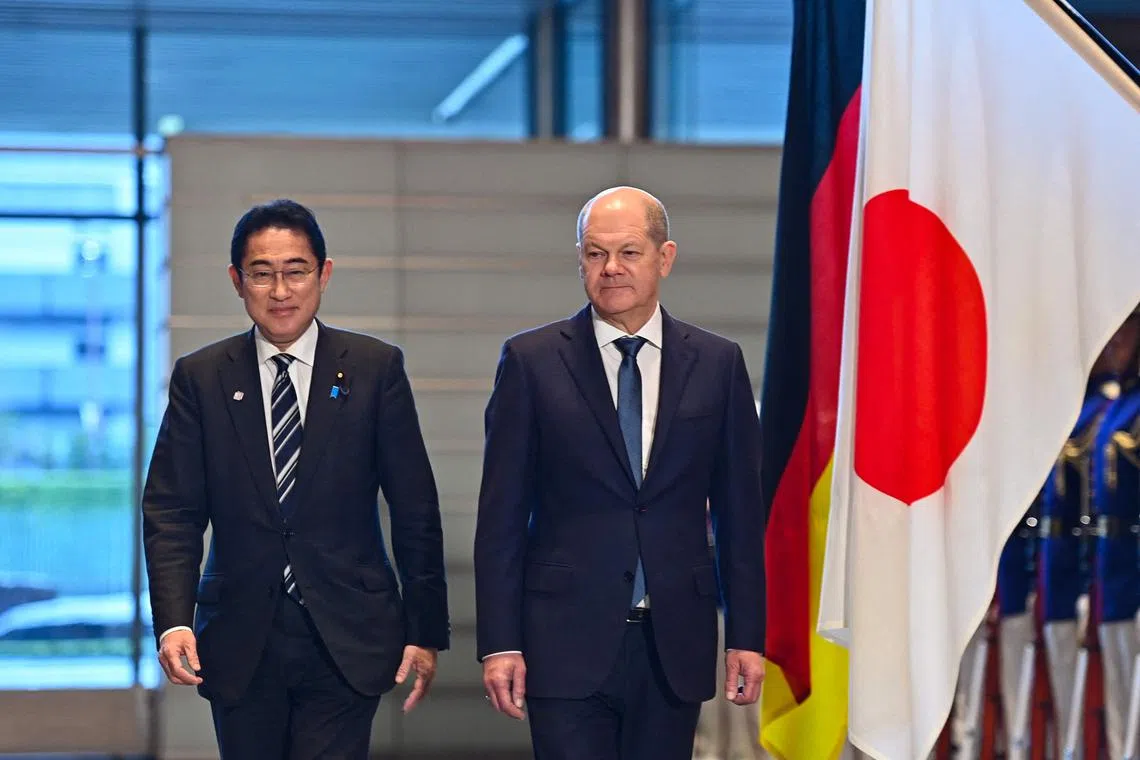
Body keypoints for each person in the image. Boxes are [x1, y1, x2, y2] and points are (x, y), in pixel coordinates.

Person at [141, 199, 449, 759]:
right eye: (262, 273)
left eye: (296, 271)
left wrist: (425, 628)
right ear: (237, 281)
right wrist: (173, 621)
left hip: (348, 631)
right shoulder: (201, 378)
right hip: (239, 634)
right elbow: (172, 511)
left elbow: (415, 508)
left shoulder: (374, 369)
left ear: (323, 274)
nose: (280, 291)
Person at [473, 186, 767, 760]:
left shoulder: (718, 362)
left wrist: (746, 636)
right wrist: (499, 643)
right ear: (579, 260)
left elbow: (740, 516)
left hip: (674, 643)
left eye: (629, 252)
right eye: (595, 253)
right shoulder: (531, 361)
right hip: (563, 640)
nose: (611, 268)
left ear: (665, 257)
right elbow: (500, 518)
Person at [1090, 307, 1140, 759]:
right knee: (1120, 706)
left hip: (1134, 569)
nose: (1115, 339)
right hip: (1112, 570)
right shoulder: (1114, 406)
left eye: (1127, 325)